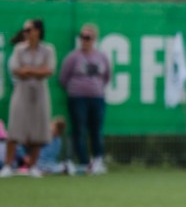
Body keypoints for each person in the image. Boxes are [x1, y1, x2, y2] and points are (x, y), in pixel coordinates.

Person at [2, 19, 56, 178]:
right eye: (25, 30)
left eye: (29, 29)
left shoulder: (48, 49)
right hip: (21, 90)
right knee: (15, 128)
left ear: (37, 31)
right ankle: (7, 165)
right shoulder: (19, 49)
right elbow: (16, 70)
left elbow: (48, 70)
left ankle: (33, 166)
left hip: (40, 92)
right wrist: (37, 71)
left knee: (38, 129)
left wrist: (28, 70)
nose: (25, 33)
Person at [58, 23, 111, 175]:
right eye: (82, 37)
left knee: (96, 130)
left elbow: (107, 76)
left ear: (94, 39)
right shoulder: (73, 57)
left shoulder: (101, 57)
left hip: (97, 98)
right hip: (77, 98)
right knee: (79, 129)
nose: (85, 40)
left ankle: (98, 160)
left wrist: (96, 88)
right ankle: (83, 162)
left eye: (88, 37)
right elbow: (63, 78)